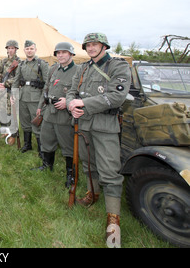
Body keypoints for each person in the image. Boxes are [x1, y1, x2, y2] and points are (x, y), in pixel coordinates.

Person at [66, 32, 131, 247]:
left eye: (95, 44)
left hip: (105, 126)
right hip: (83, 124)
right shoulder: (83, 68)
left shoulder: (117, 66)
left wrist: (82, 104)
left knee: (110, 172)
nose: (91, 48)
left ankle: (113, 221)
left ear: (104, 46)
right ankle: (91, 194)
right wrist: (70, 105)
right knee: (88, 164)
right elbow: (71, 91)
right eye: (88, 45)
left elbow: (116, 96)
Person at [32, 42, 79, 188]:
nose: (61, 55)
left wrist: (68, 101)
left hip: (65, 114)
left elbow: (81, 92)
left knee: (67, 145)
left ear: (71, 54)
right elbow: (46, 89)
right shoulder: (53, 69)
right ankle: (47, 165)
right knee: (46, 139)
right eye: (58, 53)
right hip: (49, 111)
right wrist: (40, 107)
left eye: (64, 52)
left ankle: (70, 175)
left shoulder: (78, 71)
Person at [11, 40, 49, 154]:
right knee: (25, 122)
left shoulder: (41, 63)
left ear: (35, 50)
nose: (29, 50)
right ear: (24, 50)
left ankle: (41, 148)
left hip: (36, 98)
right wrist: (13, 95)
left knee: (36, 122)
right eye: (27, 49)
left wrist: (44, 100)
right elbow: (16, 81)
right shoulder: (21, 64)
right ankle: (27, 145)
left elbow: (47, 82)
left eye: (31, 48)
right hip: (23, 97)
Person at [0, 40, 21, 143]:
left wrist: (5, 83)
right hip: (2, 91)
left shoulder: (19, 62)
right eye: (9, 48)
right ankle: (5, 131)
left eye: (12, 48)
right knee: (2, 111)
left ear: (16, 49)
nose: (10, 50)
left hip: (13, 91)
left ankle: (13, 134)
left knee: (12, 113)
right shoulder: (3, 61)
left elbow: (19, 78)